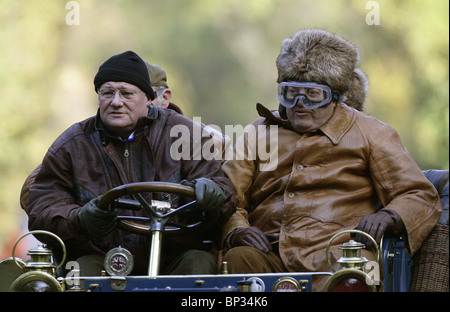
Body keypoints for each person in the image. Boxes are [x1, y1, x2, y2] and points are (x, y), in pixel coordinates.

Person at [220, 29, 442, 291]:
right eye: (290, 93)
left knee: (354, 278)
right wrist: (236, 230)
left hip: (343, 256)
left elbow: (419, 194)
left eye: (313, 94)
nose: (300, 103)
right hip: (270, 253)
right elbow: (227, 196)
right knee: (239, 259)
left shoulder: (372, 133)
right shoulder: (257, 132)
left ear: (335, 97)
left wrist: (391, 215)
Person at [24, 51, 236, 277]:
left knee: (199, 264)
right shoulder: (72, 144)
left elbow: (223, 191)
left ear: (148, 99)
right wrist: (80, 219)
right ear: (98, 97)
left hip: (173, 256)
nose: (116, 102)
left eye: (126, 93)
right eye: (108, 93)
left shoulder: (185, 134)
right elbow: (41, 209)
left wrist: (212, 193)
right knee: (81, 271)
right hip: (103, 258)